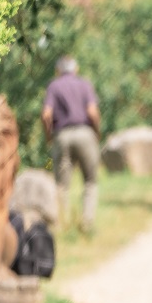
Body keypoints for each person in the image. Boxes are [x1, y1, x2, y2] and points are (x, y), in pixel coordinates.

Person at [41, 56, 102, 234]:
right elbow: (92, 112)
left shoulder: (54, 86)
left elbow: (46, 114)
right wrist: (96, 132)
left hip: (62, 135)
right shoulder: (84, 84)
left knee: (61, 184)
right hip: (85, 133)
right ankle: (87, 223)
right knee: (90, 181)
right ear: (76, 69)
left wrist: (49, 136)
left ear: (58, 70)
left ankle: (63, 223)